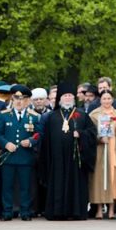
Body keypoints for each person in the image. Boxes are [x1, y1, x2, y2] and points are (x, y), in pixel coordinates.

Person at [38, 81, 96, 221]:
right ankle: (57, 212)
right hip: (56, 159)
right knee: (57, 182)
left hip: (75, 159)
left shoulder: (82, 115)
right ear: (60, 98)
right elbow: (45, 141)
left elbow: (92, 133)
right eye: (65, 96)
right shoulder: (51, 117)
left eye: (70, 95)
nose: (68, 98)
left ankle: (76, 212)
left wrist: (81, 134)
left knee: (75, 183)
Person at [0, 84, 41, 221]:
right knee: (7, 186)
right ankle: (7, 211)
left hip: (25, 157)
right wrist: (6, 143)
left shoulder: (34, 116)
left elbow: (39, 134)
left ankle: (25, 211)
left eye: (23, 99)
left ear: (27, 101)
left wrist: (31, 141)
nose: (19, 101)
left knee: (25, 186)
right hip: (9, 157)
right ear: (12, 99)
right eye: (16, 98)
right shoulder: (4, 115)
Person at [88, 88, 116, 219]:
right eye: (104, 98)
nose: (107, 101)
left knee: (113, 179)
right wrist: (99, 138)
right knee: (100, 178)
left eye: (109, 98)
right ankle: (99, 208)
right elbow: (90, 133)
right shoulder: (94, 115)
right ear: (100, 100)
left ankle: (111, 208)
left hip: (115, 149)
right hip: (101, 150)